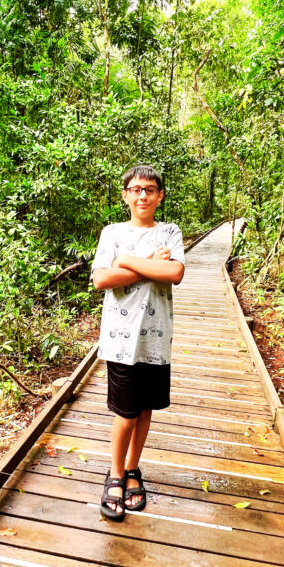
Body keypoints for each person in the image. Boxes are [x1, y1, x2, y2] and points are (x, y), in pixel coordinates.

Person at [90, 164, 185, 521]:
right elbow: (102, 279)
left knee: (145, 408)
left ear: (160, 195)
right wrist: (147, 263)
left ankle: (132, 470)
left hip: (157, 337)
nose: (142, 195)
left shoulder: (170, 232)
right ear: (125, 195)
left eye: (150, 189)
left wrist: (126, 262)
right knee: (125, 411)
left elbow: (174, 273)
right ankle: (114, 473)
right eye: (136, 189)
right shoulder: (112, 232)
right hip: (120, 339)